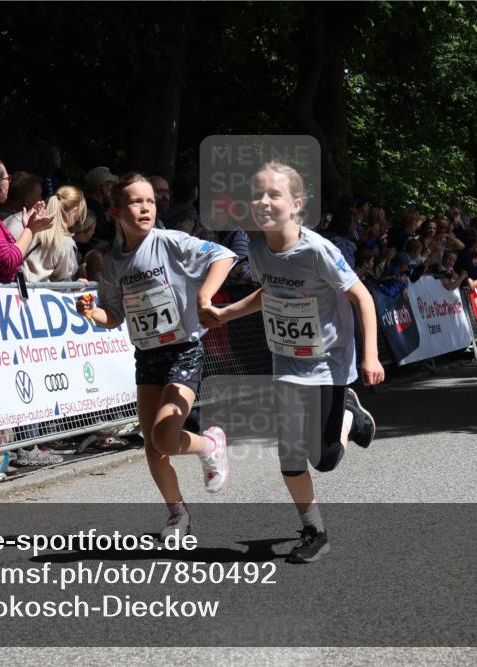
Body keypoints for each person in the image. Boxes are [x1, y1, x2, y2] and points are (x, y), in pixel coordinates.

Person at [207, 162, 384, 564]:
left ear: (296, 204)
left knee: (324, 460)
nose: (264, 202)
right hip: (286, 362)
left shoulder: (318, 249)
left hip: (328, 363)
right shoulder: (255, 247)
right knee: (289, 457)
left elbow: (363, 298)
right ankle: (314, 530)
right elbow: (269, 293)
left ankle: (349, 417)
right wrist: (225, 312)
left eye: (274, 194)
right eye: (257, 195)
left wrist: (370, 354)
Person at [76, 172, 237, 539]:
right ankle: (177, 513)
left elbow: (224, 257)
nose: (146, 207)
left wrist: (203, 298)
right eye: (136, 201)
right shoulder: (112, 261)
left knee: (166, 435)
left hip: (183, 350)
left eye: (150, 200)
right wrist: (90, 312)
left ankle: (209, 443)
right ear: (116, 211)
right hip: (147, 355)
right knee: (153, 446)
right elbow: (113, 315)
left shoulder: (170, 242)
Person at [4, 184, 80, 282]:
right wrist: (77, 287)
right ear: (75, 211)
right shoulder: (65, 242)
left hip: (4, 289)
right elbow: (63, 284)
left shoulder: (13, 220)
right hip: (38, 295)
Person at [83, 166, 119, 243]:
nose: (113, 188)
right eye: (111, 185)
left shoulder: (85, 206)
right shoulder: (95, 212)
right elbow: (111, 233)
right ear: (103, 188)